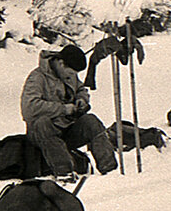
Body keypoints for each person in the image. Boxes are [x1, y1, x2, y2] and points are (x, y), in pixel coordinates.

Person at [21, 44, 118, 179]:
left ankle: (110, 170)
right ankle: (64, 174)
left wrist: (82, 100)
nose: (73, 76)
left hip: (67, 129)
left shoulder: (68, 74)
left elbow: (81, 90)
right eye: (71, 73)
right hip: (42, 133)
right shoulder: (37, 78)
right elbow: (29, 108)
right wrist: (63, 109)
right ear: (61, 63)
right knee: (43, 123)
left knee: (91, 121)